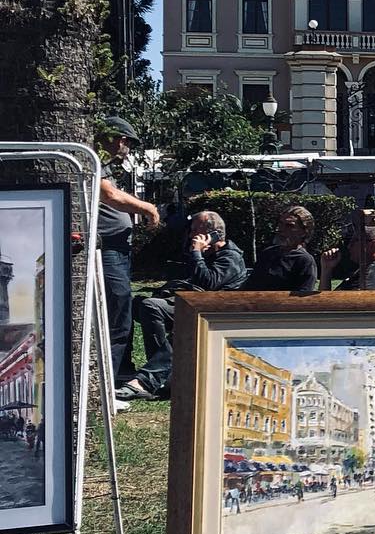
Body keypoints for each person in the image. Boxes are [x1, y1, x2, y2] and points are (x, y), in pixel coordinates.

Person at [118, 209, 247, 400]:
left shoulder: (230, 257)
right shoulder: (205, 252)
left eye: (195, 230)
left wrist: (196, 253)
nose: (191, 234)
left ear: (212, 234)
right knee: (131, 304)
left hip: (211, 312)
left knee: (152, 307)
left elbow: (208, 283)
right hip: (191, 303)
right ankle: (138, 369)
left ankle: (157, 376)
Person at [96, 116, 160, 388]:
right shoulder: (95, 161)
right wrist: (147, 208)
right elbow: (109, 195)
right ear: (119, 139)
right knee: (116, 309)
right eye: (128, 143)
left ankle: (120, 368)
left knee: (121, 309)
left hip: (118, 247)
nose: (127, 149)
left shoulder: (106, 166)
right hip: (107, 247)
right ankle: (107, 380)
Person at [244, 205, 319, 294]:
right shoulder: (268, 253)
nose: (281, 229)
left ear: (304, 232)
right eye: (280, 224)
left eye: (289, 226)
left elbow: (304, 296)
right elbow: (250, 286)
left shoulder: (304, 261)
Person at [320, 225, 375, 291]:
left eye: (354, 241)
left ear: (372, 245)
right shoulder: (368, 270)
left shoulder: (374, 273)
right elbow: (324, 301)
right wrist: (326, 269)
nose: (349, 246)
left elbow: (358, 303)